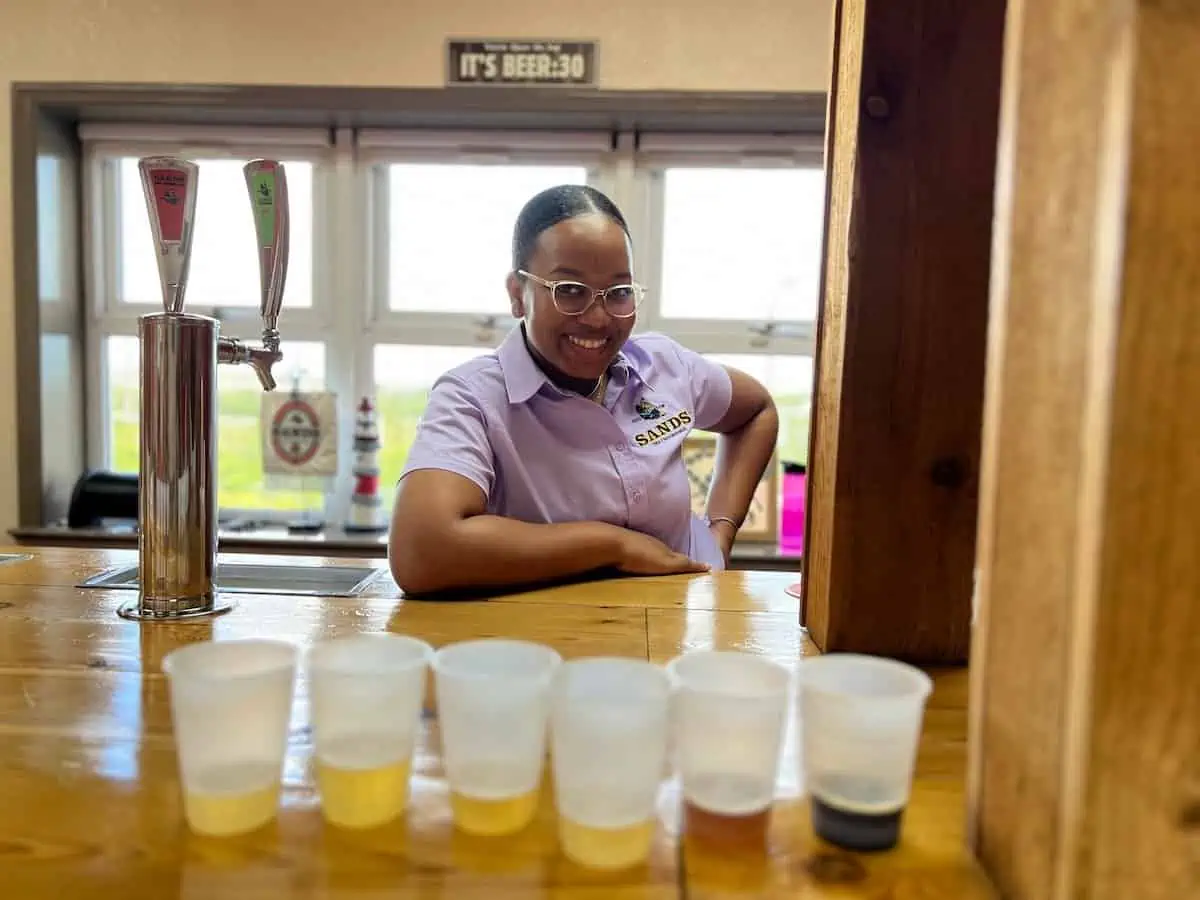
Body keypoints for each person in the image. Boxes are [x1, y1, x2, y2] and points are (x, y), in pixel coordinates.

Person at [389, 185, 779, 594]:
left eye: (619, 292)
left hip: (670, 634)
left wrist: (720, 529)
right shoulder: (473, 397)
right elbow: (421, 552)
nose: (598, 319)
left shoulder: (665, 366)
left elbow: (756, 411)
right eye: (570, 290)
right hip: (549, 643)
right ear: (517, 295)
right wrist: (613, 546)